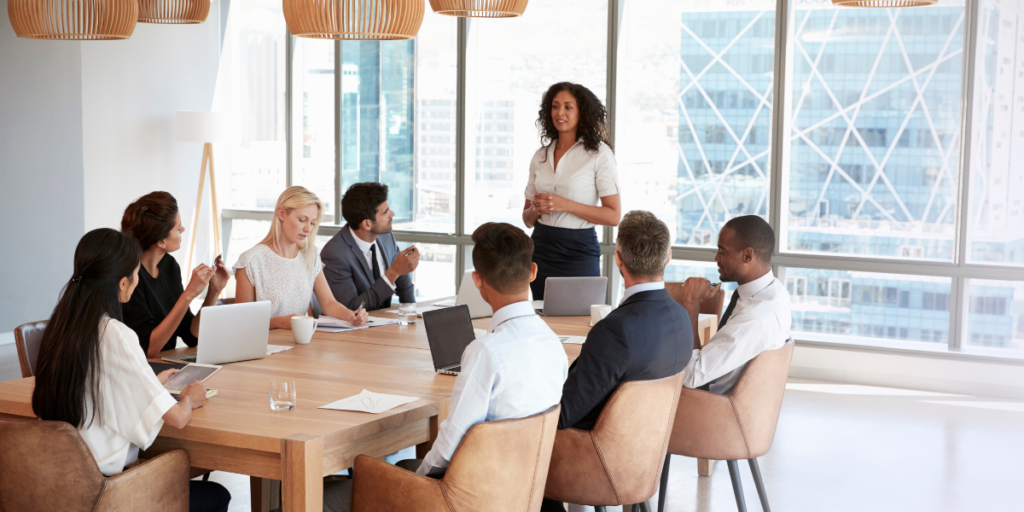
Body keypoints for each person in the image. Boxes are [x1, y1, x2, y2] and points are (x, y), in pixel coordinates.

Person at [320, 223, 568, 512]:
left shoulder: (485, 352)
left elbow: (450, 445)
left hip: (467, 499)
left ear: (477, 280)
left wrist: (415, 484)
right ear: (533, 272)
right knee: (404, 465)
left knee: (321, 498)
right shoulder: (552, 342)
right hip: (519, 489)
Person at [31, 228, 230, 512]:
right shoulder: (115, 333)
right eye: (136, 274)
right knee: (215, 495)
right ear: (123, 283)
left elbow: (99, 389)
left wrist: (151, 386)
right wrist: (188, 399)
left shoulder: (61, 326)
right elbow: (177, 419)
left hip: (58, 486)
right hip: (108, 493)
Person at [540, 211, 692, 512]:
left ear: (618, 259)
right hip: (643, 455)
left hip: (594, 458)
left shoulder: (616, 330)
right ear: (668, 257)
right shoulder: (681, 317)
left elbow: (563, 414)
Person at [522, 82, 622, 300]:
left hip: (579, 251)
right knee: (543, 317)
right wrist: (537, 208)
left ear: (582, 112)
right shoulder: (540, 156)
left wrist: (564, 204)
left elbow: (613, 215)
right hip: (541, 249)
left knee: (580, 320)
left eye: (568, 107)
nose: (560, 112)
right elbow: (527, 220)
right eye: (555, 106)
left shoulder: (599, 154)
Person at [677, 215, 792, 394]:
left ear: (747, 255)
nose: (716, 258)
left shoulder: (752, 319)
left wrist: (691, 304)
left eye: (722, 252)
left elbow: (690, 377)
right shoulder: (776, 292)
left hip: (707, 405)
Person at [234, 186, 368, 329]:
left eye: (312, 223)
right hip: (265, 347)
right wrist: (279, 322)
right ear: (281, 213)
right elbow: (242, 323)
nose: (308, 229)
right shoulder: (251, 261)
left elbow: (328, 303)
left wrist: (352, 316)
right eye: (302, 220)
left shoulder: (310, 256)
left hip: (300, 344)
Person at [121, 191, 230, 358]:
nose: (183, 229)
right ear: (161, 241)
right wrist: (188, 295)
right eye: (178, 227)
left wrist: (213, 291)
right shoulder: (130, 278)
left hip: (166, 366)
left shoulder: (169, 265)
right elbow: (148, 349)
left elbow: (191, 335)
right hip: (145, 370)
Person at [321, 183, 418, 311]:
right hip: (356, 329)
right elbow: (352, 308)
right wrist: (392, 273)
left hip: (387, 325)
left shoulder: (385, 236)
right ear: (367, 224)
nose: (392, 214)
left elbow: (403, 281)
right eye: (385, 212)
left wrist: (413, 314)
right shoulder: (334, 254)